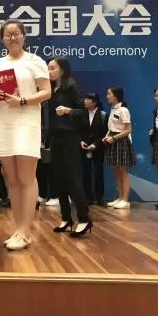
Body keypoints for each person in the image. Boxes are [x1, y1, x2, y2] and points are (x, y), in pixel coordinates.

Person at [0, 20, 51, 250]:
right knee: (11, 177)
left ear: (24, 36)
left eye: (16, 34)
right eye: (8, 35)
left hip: (26, 122)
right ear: (2, 39)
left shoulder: (35, 61)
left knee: (26, 177)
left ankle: (26, 231)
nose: (12, 38)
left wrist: (23, 101)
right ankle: (18, 229)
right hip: (5, 122)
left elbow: (47, 92)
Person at [46, 57, 92, 238]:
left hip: (69, 138)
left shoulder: (71, 88)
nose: (49, 71)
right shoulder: (50, 89)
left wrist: (68, 110)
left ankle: (84, 218)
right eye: (48, 68)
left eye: (52, 68)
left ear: (62, 70)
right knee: (58, 179)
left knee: (73, 179)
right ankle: (66, 218)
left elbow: (84, 111)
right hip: (55, 138)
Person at [103, 87, 135, 210]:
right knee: (116, 170)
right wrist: (106, 136)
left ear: (116, 95)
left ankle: (125, 200)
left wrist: (114, 138)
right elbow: (111, 127)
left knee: (122, 170)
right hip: (113, 140)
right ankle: (120, 197)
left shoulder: (123, 110)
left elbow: (128, 130)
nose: (107, 96)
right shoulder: (113, 109)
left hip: (121, 141)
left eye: (109, 94)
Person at [79, 93, 107, 206]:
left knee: (98, 172)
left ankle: (99, 197)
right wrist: (80, 141)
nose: (85, 101)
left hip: (98, 148)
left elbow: (106, 132)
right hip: (84, 147)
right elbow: (78, 130)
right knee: (85, 173)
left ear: (94, 102)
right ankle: (87, 197)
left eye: (88, 99)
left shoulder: (103, 115)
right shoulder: (82, 114)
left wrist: (96, 144)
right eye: (85, 99)